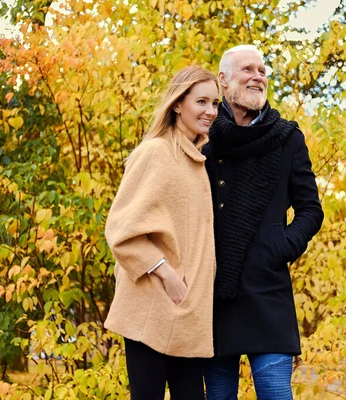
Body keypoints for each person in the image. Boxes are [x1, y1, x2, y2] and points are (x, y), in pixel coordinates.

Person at [202, 45, 324, 399]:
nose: (258, 76)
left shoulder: (286, 137)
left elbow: (310, 209)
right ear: (223, 80)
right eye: (248, 70)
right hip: (214, 290)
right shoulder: (203, 136)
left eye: (263, 71)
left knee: (275, 393)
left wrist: (281, 245)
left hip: (266, 288)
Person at [104, 66, 219, 400]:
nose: (211, 111)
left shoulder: (196, 160)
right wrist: (166, 273)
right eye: (201, 101)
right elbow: (122, 229)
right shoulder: (155, 153)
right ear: (178, 104)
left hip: (187, 311)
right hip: (152, 303)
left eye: (214, 103)